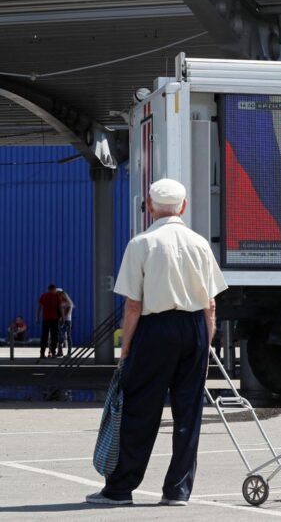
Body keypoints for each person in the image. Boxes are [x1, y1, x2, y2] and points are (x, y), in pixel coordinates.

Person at [86, 178, 227, 507]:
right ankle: (177, 490)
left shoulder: (141, 243)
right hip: (193, 327)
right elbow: (211, 304)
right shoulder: (199, 244)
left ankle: (120, 489)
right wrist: (205, 344)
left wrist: (126, 350)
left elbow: (133, 305)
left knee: (140, 409)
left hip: (155, 329)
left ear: (149, 206)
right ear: (184, 206)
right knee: (188, 412)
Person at [36, 284, 61, 358]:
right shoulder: (56, 296)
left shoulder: (43, 296)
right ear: (54, 289)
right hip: (54, 319)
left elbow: (39, 308)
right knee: (54, 336)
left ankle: (42, 353)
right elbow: (60, 307)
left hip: (45, 319)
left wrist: (38, 318)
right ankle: (53, 353)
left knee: (44, 336)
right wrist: (62, 317)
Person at [57, 289, 74, 357]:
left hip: (67, 321)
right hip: (61, 320)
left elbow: (66, 313)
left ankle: (69, 352)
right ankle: (60, 351)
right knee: (60, 337)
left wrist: (61, 318)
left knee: (68, 336)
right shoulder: (60, 302)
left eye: (59, 295)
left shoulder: (68, 303)